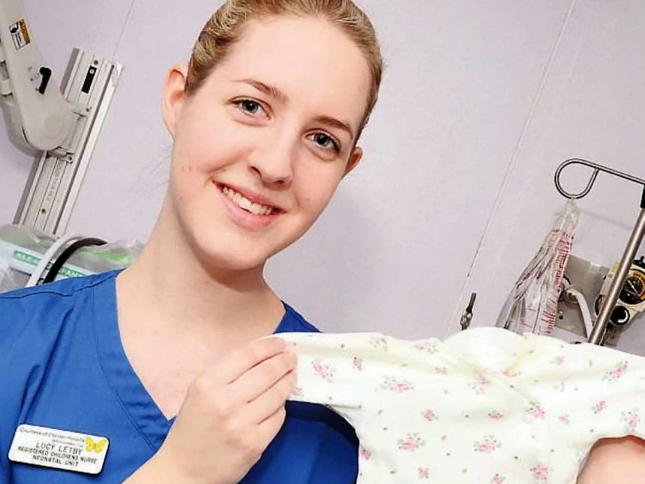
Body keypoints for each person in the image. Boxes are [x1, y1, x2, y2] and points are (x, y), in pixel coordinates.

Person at [0, 1, 381, 482]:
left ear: (345, 168)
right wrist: (181, 472)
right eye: (251, 106)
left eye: (323, 139)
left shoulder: (347, 422)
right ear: (179, 100)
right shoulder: (12, 341)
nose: (276, 165)